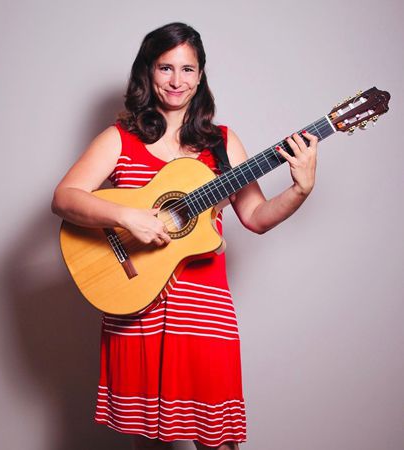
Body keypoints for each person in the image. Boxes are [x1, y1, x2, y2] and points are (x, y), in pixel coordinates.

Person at [51, 22, 318, 450]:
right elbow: (65, 198)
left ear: (201, 75)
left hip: (204, 309)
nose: (177, 81)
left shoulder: (223, 144)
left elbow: (256, 216)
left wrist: (299, 189)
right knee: (150, 443)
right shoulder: (119, 139)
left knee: (219, 441)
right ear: (148, 73)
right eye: (165, 68)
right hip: (136, 302)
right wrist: (127, 216)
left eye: (188, 69)